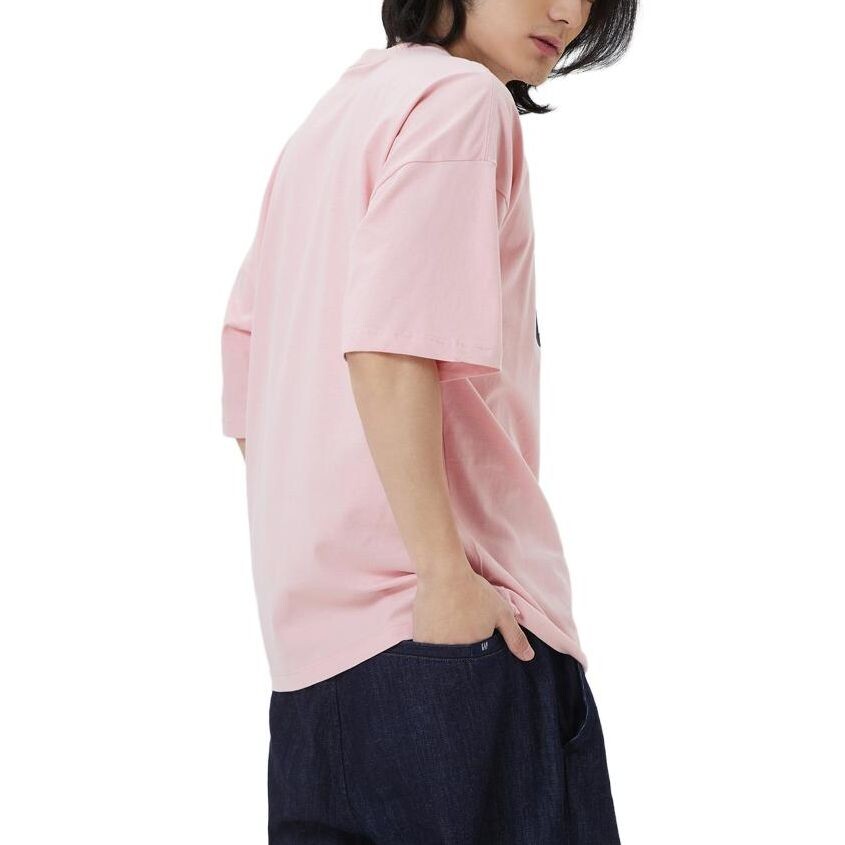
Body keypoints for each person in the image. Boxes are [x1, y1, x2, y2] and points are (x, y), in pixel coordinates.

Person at [220, 1, 636, 842]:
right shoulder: (460, 100)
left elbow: (246, 363)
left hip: (313, 674)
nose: (569, 13)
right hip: (452, 643)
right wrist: (442, 575)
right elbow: (389, 344)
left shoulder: (331, 120)